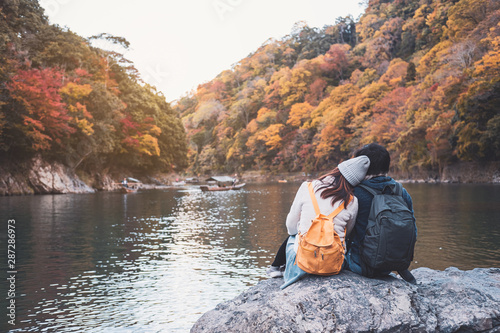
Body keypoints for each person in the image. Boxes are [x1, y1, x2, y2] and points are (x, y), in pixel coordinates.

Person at [267, 155, 371, 289]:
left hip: (304, 261)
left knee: (293, 235)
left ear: (337, 170)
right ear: (356, 182)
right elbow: (347, 233)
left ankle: (275, 268)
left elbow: (290, 227)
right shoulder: (352, 201)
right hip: (333, 264)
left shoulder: (307, 187)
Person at [344, 143, 417, 284]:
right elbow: (413, 230)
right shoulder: (401, 192)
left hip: (359, 266)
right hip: (390, 267)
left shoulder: (355, 194)